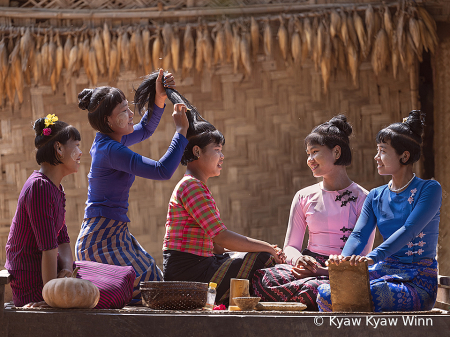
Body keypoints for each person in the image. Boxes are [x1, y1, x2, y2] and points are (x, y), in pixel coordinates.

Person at [156, 91, 283, 306]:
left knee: (247, 255)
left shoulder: (196, 186)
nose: (221, 156)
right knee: (261, 257)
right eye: (216, 150)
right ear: (196, 151)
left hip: (199, 266)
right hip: (189, 274)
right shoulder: (191, 187)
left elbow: (216, 247)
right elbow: (220, 237)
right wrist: (268, 248)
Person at [75, 69, 189, 304]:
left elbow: (146, 128)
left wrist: (159, 98)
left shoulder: (108, 139)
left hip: (113, 234)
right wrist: (181, 132)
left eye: (128, 107)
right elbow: (162, 170)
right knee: (149, 288)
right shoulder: (111, 150)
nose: (130, 114)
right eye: (123, 111)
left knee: (153, 281)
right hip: (100, 240)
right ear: (108, 121)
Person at [317, 110, 441, 312]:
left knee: (373, 293)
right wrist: (343, 259)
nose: (376, 157)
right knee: (325, 293)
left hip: (418, 281)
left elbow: (409, 230)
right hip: (382, 272)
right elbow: (358, 234)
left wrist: (372, 257)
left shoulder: (429, 189)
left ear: (404, 156)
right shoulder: (375, 195)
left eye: (382, 151)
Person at [252, 115, 374, 310]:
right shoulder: (303, 196)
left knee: (321, 287)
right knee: (263, 278)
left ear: (336, 152)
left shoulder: (364, 198)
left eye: (315, 152)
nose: (309, 160)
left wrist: (322, 272)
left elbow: (363, 255)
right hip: (307, 268)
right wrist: (299, 259)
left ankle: (313, 296)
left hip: (342, 271)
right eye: (308, 154)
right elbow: (290, 246)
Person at [5, 114, 82, 307]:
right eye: (77, 145)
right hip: (34, 282)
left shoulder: (56, 188)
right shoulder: (39, 188)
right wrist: (51, 299)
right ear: (58, 148)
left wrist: (65, 269)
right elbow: (48, 249)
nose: (81, 152)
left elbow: (63, 239)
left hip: (50, 276)